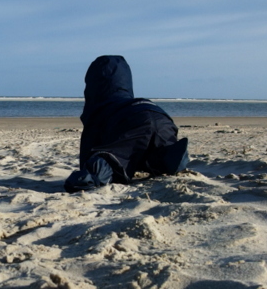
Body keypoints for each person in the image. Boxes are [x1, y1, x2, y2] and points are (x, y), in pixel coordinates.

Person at [64, 55, 189, 192]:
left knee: (113, 158)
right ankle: (172, 156)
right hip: (158, 114)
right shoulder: (121, 102)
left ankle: (92, 178)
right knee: (157, 151)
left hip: (131, 121)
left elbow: (89, 146)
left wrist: (86, 167)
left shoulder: (100, 110)